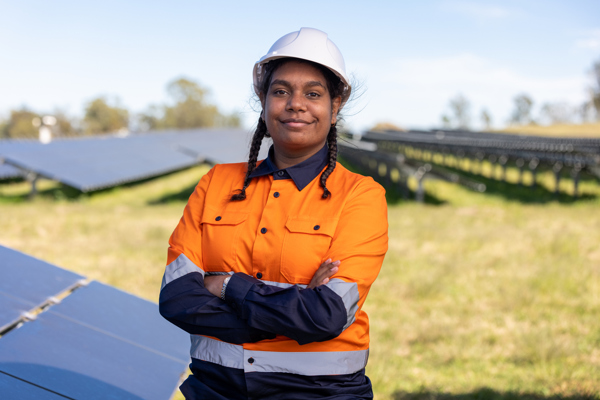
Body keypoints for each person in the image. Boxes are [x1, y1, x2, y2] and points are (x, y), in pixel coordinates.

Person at [159, 27, 388, 400]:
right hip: (215, 389)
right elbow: (176, 298)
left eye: (313, 94)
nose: (295, 104)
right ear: (263, 101)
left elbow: (326, 316)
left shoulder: (360, 195)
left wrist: (226, 285)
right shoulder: (216, 183)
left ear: (335, 106)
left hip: (321, 392)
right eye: (281, 91)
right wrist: (292, 308)